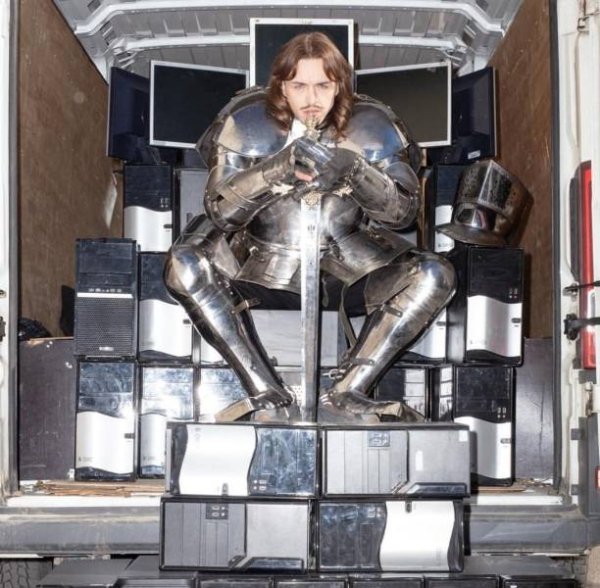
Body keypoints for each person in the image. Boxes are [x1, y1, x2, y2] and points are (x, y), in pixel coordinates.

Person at [164, 32, 456, 422]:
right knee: (182, 263)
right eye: (299, 85)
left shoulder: (373, 124)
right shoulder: (245, 120)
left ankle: (350, 390)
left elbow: (402, 212)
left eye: (323, 85)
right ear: (281, 86)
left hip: (347, 259)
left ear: (339, 86)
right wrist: (274, 170)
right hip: (260, 258)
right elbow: (221, 210)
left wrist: (354, 170)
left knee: (436, 274)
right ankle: (265, 392)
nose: (311, 98)